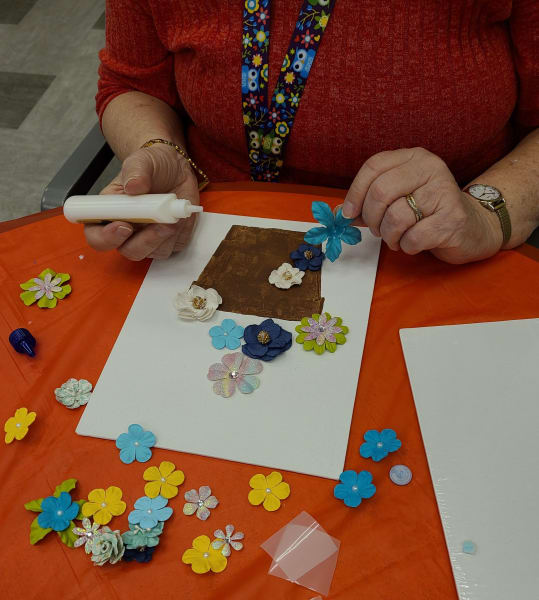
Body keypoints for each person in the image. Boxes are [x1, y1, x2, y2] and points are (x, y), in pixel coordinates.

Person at [85, 0, 538, 264]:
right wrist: (159, 148)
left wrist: (485, 213)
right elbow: (131, 83)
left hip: (433, 248)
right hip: (211, 229)